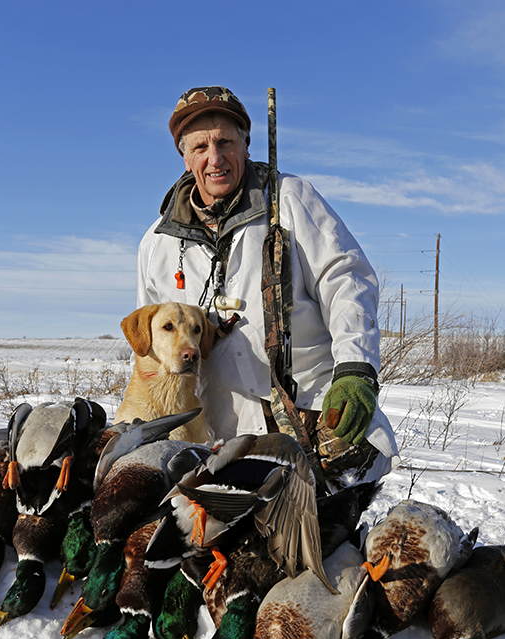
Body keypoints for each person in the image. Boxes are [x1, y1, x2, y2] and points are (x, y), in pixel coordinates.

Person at [137, 86, 397, 483]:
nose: (215, 157)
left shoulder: (290, 200)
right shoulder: (157, 243)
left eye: (225, 141)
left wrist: (355, 369)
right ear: (184, 156)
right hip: (220, 435)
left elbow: (346, 279)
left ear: (246, 144)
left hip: (314, 418)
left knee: (322, 534)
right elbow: (148, 351)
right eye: (201, 147)